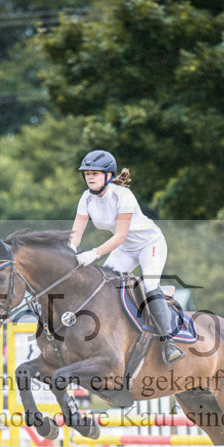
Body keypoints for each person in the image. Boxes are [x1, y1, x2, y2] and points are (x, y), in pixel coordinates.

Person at [68, 149, 184, 365]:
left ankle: (169, 342)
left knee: (150, 286)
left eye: (95, 173)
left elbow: (120, 235)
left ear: (109, 176)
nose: (89, 177)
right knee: (104, 285)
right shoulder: (86, 198)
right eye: (87, 173)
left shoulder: (123, 196)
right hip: (125, 249)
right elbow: (75, 234)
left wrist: (94, 253)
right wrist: (70, 251)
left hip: (149, 244)